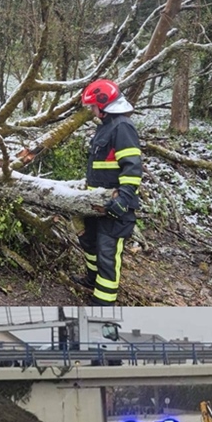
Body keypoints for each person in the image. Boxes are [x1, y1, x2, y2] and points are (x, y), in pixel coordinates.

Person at [72, 78, 142, 305]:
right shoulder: (106, 128)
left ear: (103, 104)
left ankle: (103, 302)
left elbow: (132, 166)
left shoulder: (122, 127)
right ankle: (92, 280)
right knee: (90, 244)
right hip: (96, 204)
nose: (91, 111)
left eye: (93, 107)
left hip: (115, 207)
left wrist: (124, 198)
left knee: (107, 255)